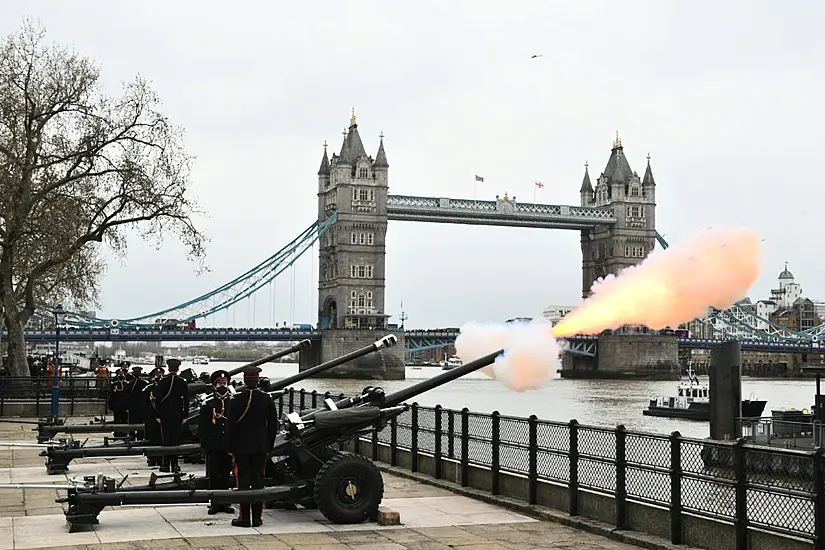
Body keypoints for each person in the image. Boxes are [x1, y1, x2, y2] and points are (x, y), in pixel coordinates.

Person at [226, 366, 279, 528]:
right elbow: (272, 426)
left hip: (241, 447)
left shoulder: (236, 400)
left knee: (242, 481)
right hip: (260, 447)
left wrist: (230, 446)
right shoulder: (267, 399)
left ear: (244, 380)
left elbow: (230, 426)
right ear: (257, 380)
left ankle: (244, 518)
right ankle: (257, 518)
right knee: (258, 481)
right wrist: (268, 444)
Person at [198, 369, 234, 515]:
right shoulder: (208, 403)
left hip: (227, 443)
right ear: (214, 385)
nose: (222, 386)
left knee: (226, 474)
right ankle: (214, 503)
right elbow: (203, 426)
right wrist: (205, 444)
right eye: (220, 383)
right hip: (213, 444)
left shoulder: (233, 402)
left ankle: (225, 502)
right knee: (213, 475)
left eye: (225, 383)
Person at [154, 358, 188, 473]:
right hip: (177, 414)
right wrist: (185, 415)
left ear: (168, 368)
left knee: (166, 440)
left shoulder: (162, 381)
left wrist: (157, 415)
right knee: (175, 439)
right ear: (178, 369)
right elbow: (186, 400)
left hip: (165, 414)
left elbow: (158, 400)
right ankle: (175, 464)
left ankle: (165, 464)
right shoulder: (182, 382)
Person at [142, 367, 164, 466]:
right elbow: (145, 404)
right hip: (151, 416)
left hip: (162, 417)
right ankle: (151, 457)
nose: (159, 377)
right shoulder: (149, 389)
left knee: (161, 438)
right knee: (151, 438)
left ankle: (160, 458)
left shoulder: (164, 388)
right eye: (157, 375)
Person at [107, 366, 130, 437]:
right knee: (117, 419)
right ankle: (117, 433)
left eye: (122, 374)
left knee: (124, 419)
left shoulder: (127, 384)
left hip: (124, 405)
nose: (121, 375)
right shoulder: (114, 384)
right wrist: (111, 405)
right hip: (117, 405)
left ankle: (124, 433)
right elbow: (111, 395)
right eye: (119, 374)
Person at [127, 366, 148, 439]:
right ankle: (139, 437)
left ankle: (132, 437)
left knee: (132, 423)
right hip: (139, 406)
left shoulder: (130, 383)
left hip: (134, 406)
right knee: (140, 423)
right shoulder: (144, 383)